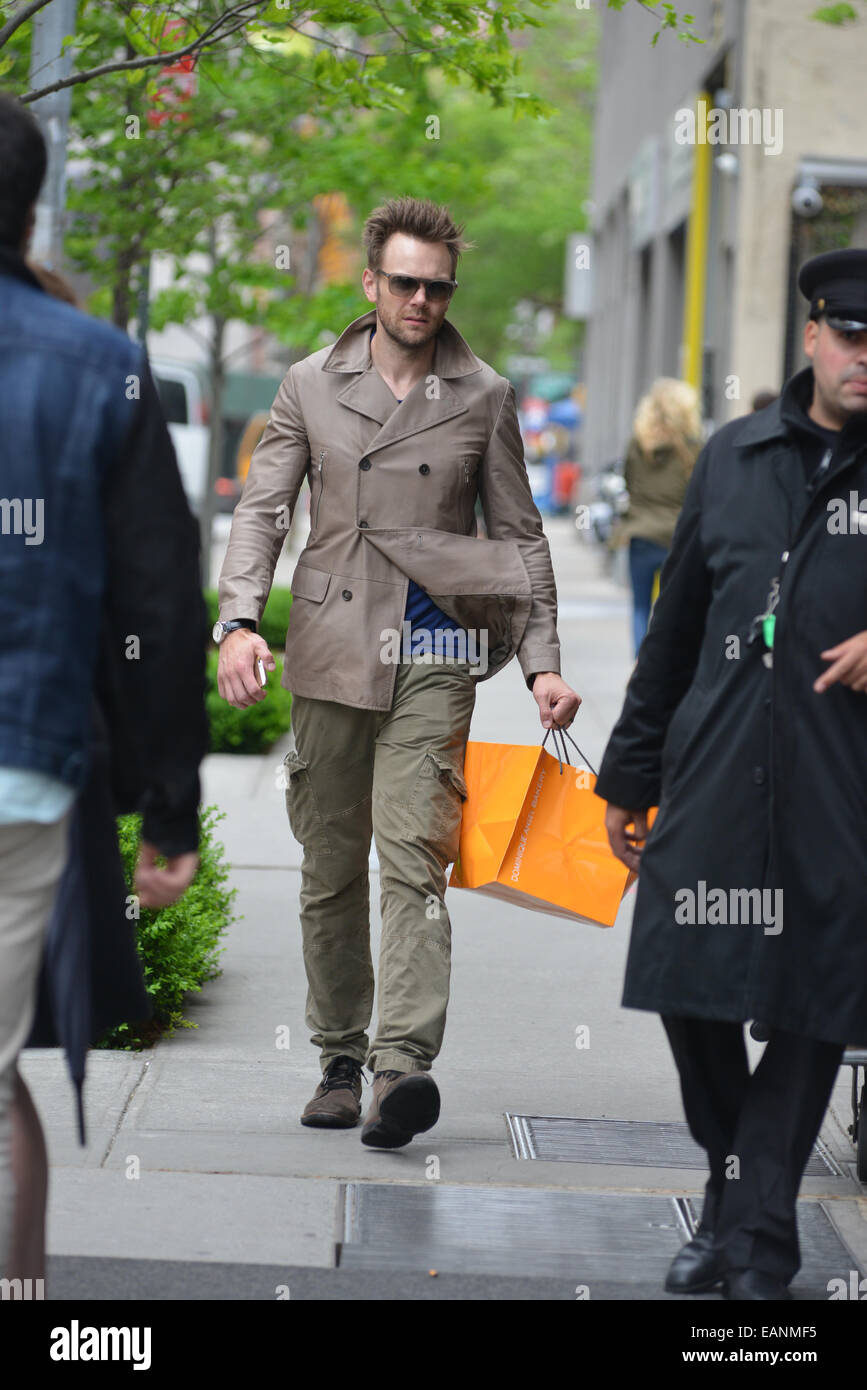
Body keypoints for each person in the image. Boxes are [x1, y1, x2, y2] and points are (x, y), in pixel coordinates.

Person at [216, 196, 580, 1149]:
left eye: (437, 286)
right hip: (333, 652)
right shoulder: (306, 384)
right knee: (329, 868)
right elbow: (262, 511)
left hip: (437, 653)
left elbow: (520, 537)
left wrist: (543, 665)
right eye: (405, 282)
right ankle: (338, 1059)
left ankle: (399, 1069)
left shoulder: (484, 394)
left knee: (412, 861)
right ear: (371, 282)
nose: (421, 299)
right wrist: (239, 621)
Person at [595, 247, 867, 1301]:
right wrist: (629, 773)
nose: (864, 359)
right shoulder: (735, 455)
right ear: (811, 336)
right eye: (849, 336)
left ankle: (754, 1241)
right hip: (712, 774)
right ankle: (734, 1186)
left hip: (839, 790)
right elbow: (675, 627)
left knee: (810, 1006)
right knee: (685, 985)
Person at [0, 93, 208, 1287]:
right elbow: (158, 603)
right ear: (32, 210)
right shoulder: (101, 365)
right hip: (25, 768)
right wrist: (166, 804)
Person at [616, 378, 702, 655]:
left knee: (640, 606)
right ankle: (665, 665)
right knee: (674, 608)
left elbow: (627, 482)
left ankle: (641, 666)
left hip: (640, 533)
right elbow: (699, 494)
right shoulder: (693, 448)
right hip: (677, 538)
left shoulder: (638, 445)